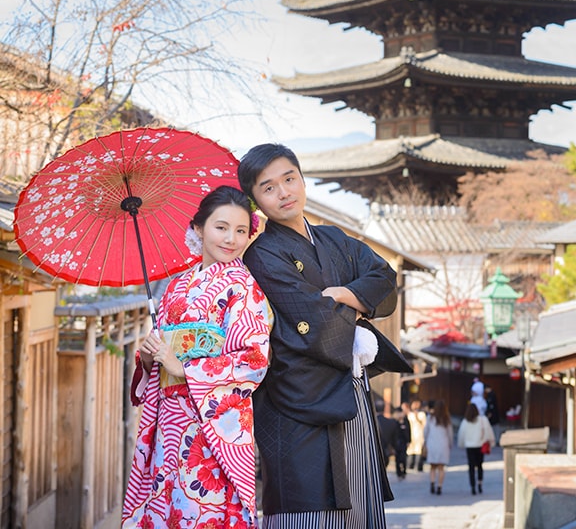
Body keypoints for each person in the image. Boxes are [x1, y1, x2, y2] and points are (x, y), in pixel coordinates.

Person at [239, 142, 404, 528]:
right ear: (255, 201)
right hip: (298, 404)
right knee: (309, 512)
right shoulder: (262, 255)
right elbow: (316, 325)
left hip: (350, 396)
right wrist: (354, 303)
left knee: (361, 508)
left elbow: (385, 280)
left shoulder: (334, 238)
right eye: (268, 187)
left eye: (289, 179)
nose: (283, 192)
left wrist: (343, 294)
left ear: (302, 178)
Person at [122, 186, 272, 529]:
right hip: (169, 422)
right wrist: (149, 358)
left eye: (240, 230)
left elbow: (254, 360)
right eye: (221, 227)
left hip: (213, 426)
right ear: (199, 228)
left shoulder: (244, 288)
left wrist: (185, 368)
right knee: (166, 507)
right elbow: (160, 357)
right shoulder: (176, 286)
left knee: (204, 511)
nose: (231, 239)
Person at [456, 401, 496, 496]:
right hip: (480, 445)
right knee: (480, 465)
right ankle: (479, 483)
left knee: (471, 467)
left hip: (469, 446)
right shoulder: (483, 420)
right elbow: (488, 431)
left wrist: (461, 444)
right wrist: (491, 442)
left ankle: (472, 486)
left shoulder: (465, 422)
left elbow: (461, 434)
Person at [423, 400, 454, 495]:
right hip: (443, 444)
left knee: (432, 467)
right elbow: (450, 433)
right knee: (441, 467)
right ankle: (439, 486)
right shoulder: (446, 419)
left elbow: (425, 431)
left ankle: (432, 483)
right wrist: (450, 443)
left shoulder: (430, 418)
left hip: (432, 443)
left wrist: (425, 441)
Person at [405, 400, 426, 471]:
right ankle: (413, 466)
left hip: (415, 435)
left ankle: (413, 466)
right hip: (416, 435)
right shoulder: (417, 415)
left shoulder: (415, 415)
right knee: (415, 450)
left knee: (414, 450)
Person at [393, 406, 411, 478]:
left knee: (403, 457)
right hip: (396, 441)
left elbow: (409, 431)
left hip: (404, 441)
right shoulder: (394, 421)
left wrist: (409, 441)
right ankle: (398, 472)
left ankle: (404, 471)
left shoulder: (406, 421)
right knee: (397, 458)